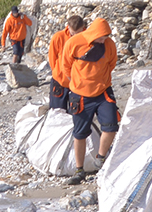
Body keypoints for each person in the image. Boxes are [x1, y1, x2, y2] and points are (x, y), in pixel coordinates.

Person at [56, 15, 120, 182]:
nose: (105, 38)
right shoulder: (74, 42)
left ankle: (100, 159)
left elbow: (112, 63)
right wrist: (77, 82)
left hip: (103, 92)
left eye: (107, 35)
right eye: (103, 35)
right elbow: (66, 65)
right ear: (94, 33)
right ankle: (79, 170)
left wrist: (101, 80)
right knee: (80, 134)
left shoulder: (109, 45)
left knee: (111, 127)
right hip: (80, 95)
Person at [45, 13, 87, 116]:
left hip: (78, 83)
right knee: (56, 113)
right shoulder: (58, 37)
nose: (75, 37)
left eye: (78, 33)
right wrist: (58, 73)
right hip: (60, 81)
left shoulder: (87, 39)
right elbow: (52, 58)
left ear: (83, 28)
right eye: (73, 34)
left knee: (77, 115)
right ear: (68, 27)